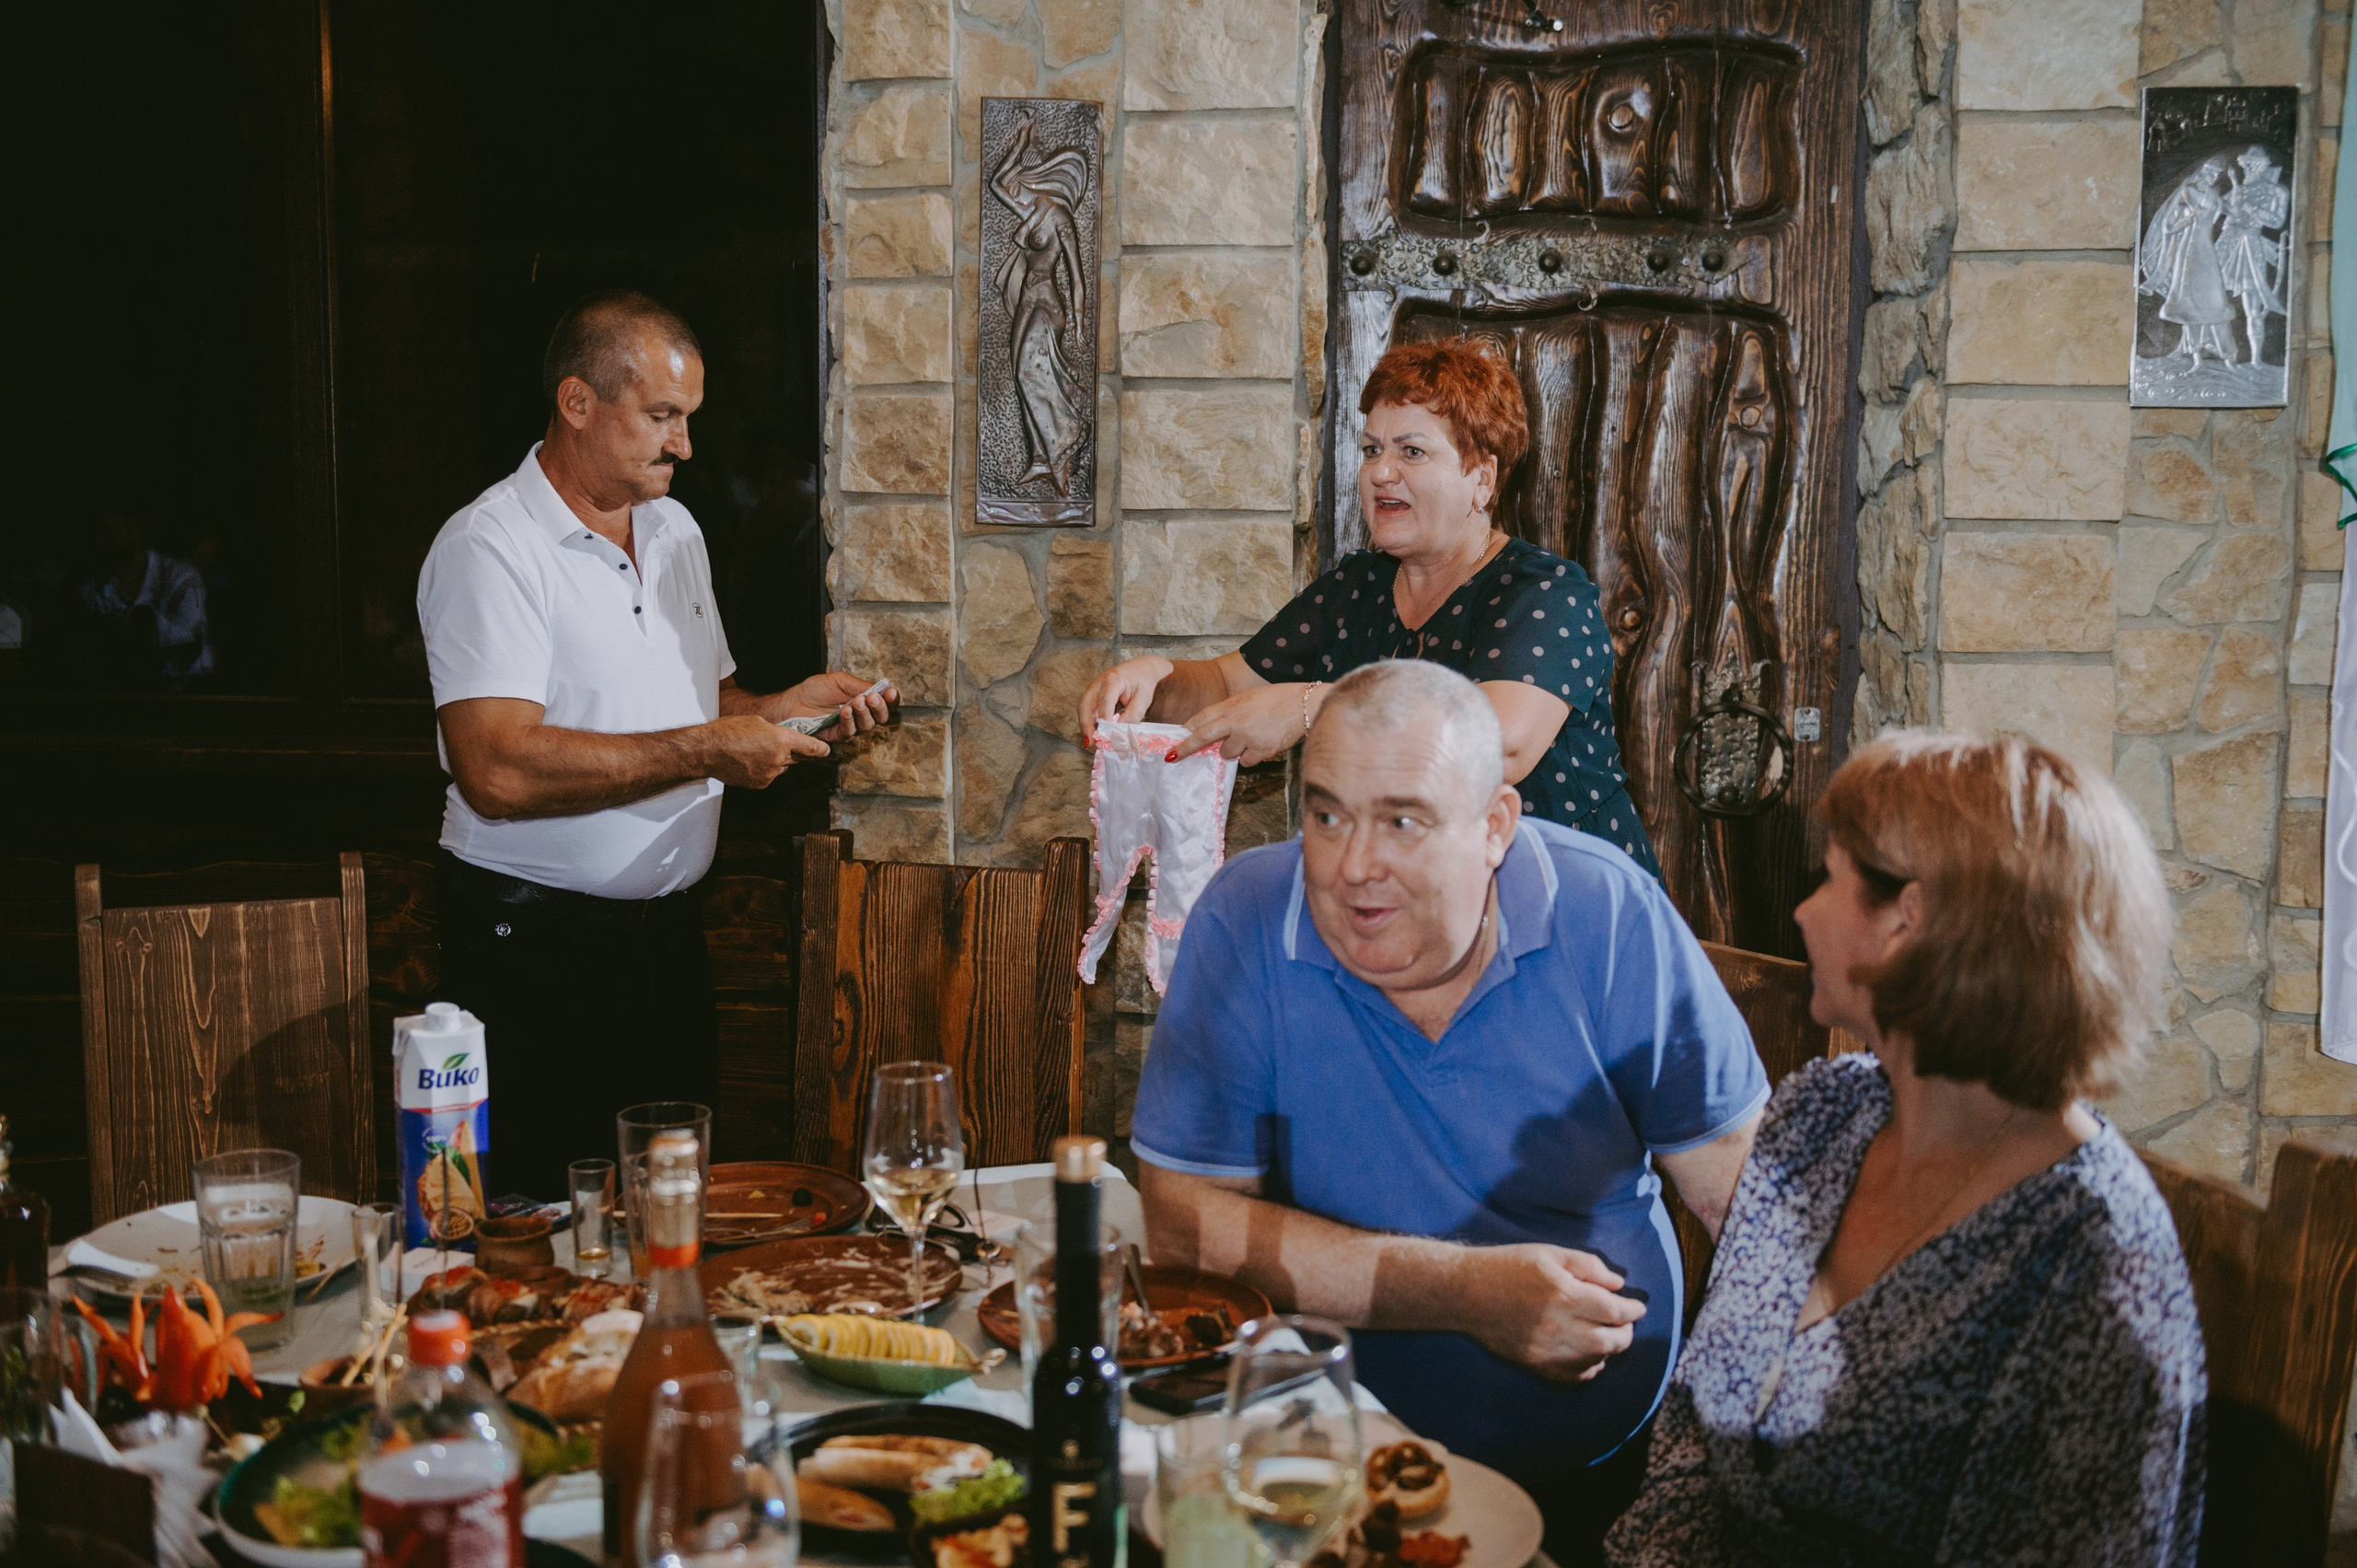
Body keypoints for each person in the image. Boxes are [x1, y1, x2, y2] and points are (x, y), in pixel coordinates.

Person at [1133, 659, 1767, 1564]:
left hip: (1604, 1484)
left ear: (1494, 826)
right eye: (1326, 815)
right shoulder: (1246, 915)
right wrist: (1468, 1293)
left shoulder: (1607, 912)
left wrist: (1722, 1468)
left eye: (1403, 820)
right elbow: (1183, 1225)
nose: (1354, 867)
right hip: (1322, 1459)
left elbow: (1753, 1216)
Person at [1604, 731, 2204, 1567]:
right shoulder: (1818, 1116)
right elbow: (1693, 1434)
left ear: (1906, 921)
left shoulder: (2101, 1258)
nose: (1803, 911)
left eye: (1830, 879)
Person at [418, 289, 893, 1199]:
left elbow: (701, 702)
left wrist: (781, 710)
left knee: (673, 1214)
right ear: (577, 402)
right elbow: (495, 768)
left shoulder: (675, 529)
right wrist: (711, 748)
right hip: (530, 943)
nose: (684, 444)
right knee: (546, 1223)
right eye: (663, 416)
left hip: (668, 941)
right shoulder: (490, 546)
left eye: (688, 418)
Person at [1079, 337, 1661, 875]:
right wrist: (1156, 678)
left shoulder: (1546, 592)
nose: (1381, 472)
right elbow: (1229, 686)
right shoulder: (1357, 586)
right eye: (1372, 449)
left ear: (1482, 479)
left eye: (1413, 451)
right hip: (1415, 903)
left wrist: (1313, 705)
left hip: (1569, 903)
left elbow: (1498, 745)